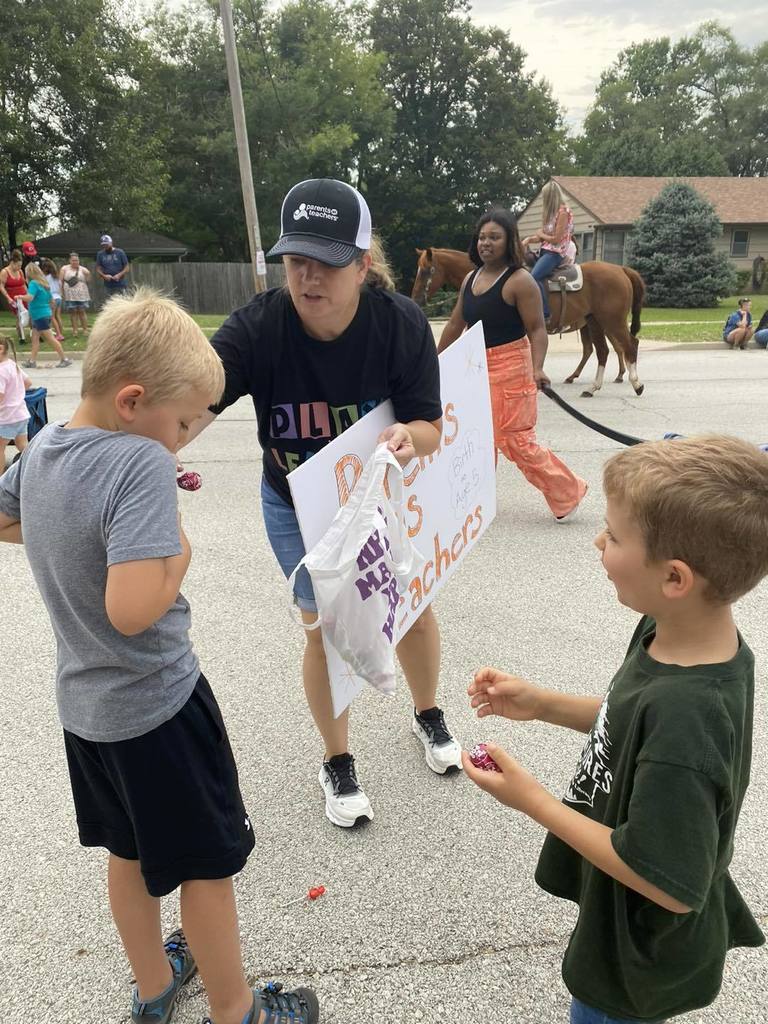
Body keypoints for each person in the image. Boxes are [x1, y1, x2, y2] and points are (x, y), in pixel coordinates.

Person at [0, 289, 320, 1024]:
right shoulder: (140, 465)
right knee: (206, 865)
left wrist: (76, 544)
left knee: (129, 853)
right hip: (160, 708)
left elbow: (7, 516)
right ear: (133, 399)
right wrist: (175, 550)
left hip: (86, 712)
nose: (180, 440)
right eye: (180, 423)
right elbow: (132, 608)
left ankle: (153, 990)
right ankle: (237, 1012)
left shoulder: (43, 446)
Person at [463, 435, 768, 1024]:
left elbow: (671, 884)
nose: (598, 543)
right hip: (620, 915)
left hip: (637, 954)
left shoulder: (690, 718)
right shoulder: (675, 634)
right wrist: (542, 704)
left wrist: (532, 801)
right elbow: (633, 719)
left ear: (675, 577)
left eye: (615, 536)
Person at [188, 177, 463, 828]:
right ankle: (336, 759)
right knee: (323, 630)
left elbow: (430, 424)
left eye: (328, 262)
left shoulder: (397, 324)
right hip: (295, 506)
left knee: (411, 607)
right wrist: (150, 446)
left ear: (363, 264)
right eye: (296, 261)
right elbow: (194, 402)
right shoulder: (258, 328)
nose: (309, 277)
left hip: (377, 504)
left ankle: (427, 712)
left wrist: (409, 438)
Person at [438, 207, 587, 521]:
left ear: (510, 242)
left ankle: (568, 491)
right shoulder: (470, 278)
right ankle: (475, 498)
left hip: (511, 366)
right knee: (475, 436)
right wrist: (434, 362)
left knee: (516, 441)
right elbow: (455, 325)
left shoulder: (520, 281)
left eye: (495, 237)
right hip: (475, 367)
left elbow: (537, 329)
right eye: (482, 237)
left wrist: (538, 367)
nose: (486, 243)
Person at [521, 180, 575, 322]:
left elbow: (556, 239)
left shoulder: (563, 212)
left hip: (555, 253)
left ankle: (545, 313)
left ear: (551, 196)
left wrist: (540, 233)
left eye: (545, 196)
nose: (543, 200)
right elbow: (543, 237)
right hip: (545, 251)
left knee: (534, 277)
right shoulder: (551, 213)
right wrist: (527, 240)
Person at [18, 263, 71, 369]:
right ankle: (32, 361)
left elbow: (30, 297)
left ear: (29, 273)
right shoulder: (44, 284)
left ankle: (64, 359)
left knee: (50, 338)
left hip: (39, 315)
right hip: (43, 314)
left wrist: (20, 296)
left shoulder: (33, 283)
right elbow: (51, 301)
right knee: (35, 338)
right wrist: (48, 311)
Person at [0, 336, 32, 472]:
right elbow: (28, 382)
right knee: (23, 445)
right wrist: (16, 395)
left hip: (7, 417)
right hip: (21, 414)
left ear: (0, 349)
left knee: (0, 448)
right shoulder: (12, 364)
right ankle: (34, 471)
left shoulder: (1, 371)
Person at [59, 251, 92, 337]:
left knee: (82, 311)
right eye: (73, 260)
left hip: (81, 294)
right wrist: (61, 291)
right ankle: (75, 330)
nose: (75, 262)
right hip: (70, 294)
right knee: (73, 312)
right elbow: (60, 281)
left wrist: (88, 275)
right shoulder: (64, 268)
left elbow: (88, 279)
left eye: (77, 260)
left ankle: (85, 329)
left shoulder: (83, 269)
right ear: (70, 260)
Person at [0, 248, 29, 345]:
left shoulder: (20, 271)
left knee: (30, 314)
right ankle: (21, 337)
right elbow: (1, 286)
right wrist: (8, 298)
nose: (19, 267)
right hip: (13, 298)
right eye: (18, 265)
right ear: (12, 263)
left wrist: (28, 294)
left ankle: (35, 333)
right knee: (19, 316)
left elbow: (24, 284)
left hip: (23, 295)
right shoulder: (4, 272)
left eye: (20, 265)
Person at [41, 257, 66, 342]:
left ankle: (58, 334)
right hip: (58, 297)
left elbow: (45, 288)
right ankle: (60, 333)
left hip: (52, 298)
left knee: (52, 317)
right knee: (58, 316)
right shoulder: (56, 276)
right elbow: (60, 287)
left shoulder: (45, 277)